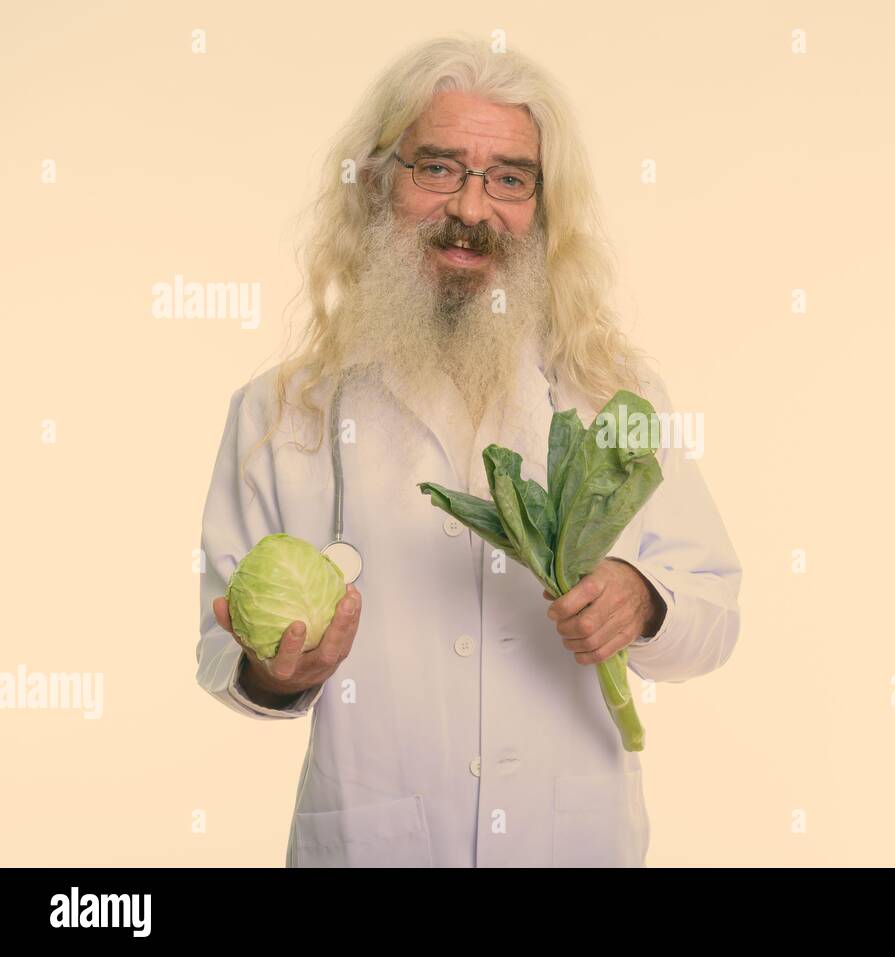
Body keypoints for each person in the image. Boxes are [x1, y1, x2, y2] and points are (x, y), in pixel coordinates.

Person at [195, 36, 742, 867]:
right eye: (438, 168)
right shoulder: (281, 412)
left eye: (510, 178)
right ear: (378, 182)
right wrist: (277, 671)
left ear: (543, 207)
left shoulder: (615, 399)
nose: (473, 208)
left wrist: (646, 599)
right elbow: (219, 649)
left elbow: (716, 606)